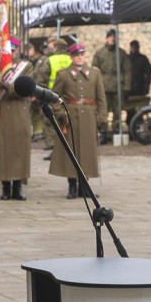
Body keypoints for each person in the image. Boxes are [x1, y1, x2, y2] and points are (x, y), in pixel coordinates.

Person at [50, 43, 106, 198]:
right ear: (71, 57)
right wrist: (60, 113)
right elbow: (54, 98)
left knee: (87, 152)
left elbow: (101, 97)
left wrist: (102, 117)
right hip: (70, 117)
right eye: (76, 55)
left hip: (89, 117)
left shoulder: (94, 73)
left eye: (82, 54)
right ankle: (72, 186)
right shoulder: (63, 74)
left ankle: (85, 187)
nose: (80, 58)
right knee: (71, 151)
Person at [0, 77, 32, 200]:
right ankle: (6, 188)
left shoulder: (25, 68)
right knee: (2, 151)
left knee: (19, 151)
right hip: (0, 113)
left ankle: (17, 188)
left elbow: (27, 89)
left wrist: (7, 86)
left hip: (19, 113)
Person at [92, 29, 131, 140]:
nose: (113, 39)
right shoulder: (99, 53)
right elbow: (94, 70)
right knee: (102, 111)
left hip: (118, 86)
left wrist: (127, 88)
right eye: (111, 37)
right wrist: (94, 87)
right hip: (103, 86)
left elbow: (127, 71)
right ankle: (103, 132)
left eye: (114, 37)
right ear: (107, 38)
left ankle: (116, 131)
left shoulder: (121, 53)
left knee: (118, 111)